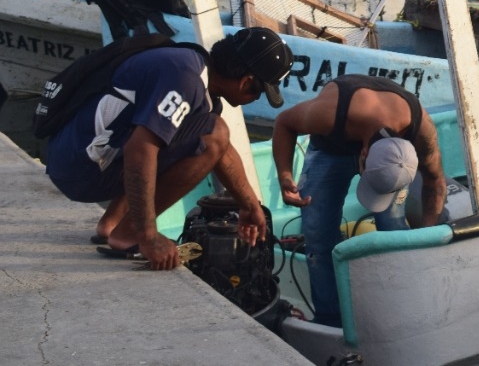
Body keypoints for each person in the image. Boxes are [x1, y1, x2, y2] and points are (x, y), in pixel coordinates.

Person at [44, 27, 293, 270]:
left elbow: (223, 151)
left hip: (75, 159)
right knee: (212, 133)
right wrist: (149, 235)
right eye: (261, 92)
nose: (258, 99)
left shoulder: (193, 70)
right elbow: (141, 150)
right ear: (246, 82)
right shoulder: (186, 77)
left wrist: (249, 206)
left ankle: (113, 223)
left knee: (210, 132)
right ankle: (128, 234)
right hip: (81, 166)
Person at [271, 73, 447, 327]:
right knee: (318, 236)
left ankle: (404, 308)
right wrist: (284, 176)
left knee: (395, 234)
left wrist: (427, 240)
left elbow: (436, 182)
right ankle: (330, 319)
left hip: (386, 154)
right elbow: (284, 122)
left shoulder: (421, 131)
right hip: (330, 148)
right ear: (362, 154)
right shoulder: (329, 114)